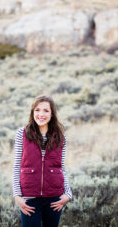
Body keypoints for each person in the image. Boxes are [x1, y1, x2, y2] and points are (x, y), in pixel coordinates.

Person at [12, 94, 72, 227]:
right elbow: (17, 166)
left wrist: (68, 194)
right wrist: (17, 196)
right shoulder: (22, 133)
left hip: (54, 198)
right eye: (37, 110)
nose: (41, 114)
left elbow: (61, 168)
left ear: (52, 114)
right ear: (32, 112)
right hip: (29, 198)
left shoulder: (61, 138)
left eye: (46, 110)